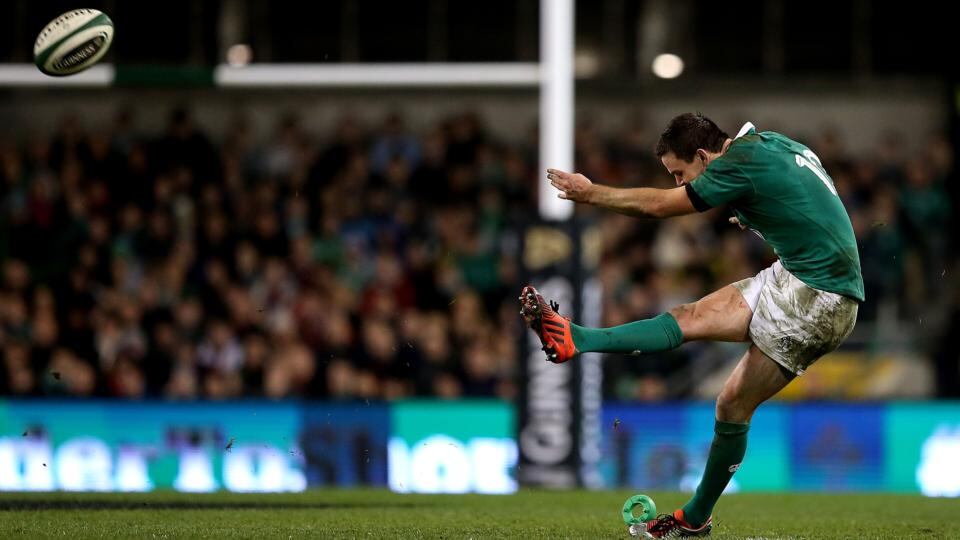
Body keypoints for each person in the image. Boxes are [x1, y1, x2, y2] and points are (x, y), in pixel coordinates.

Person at [520, 113, 863, 538]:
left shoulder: (740, 165)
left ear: (703, 156)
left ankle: (696, 516)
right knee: (690, 318)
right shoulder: (768, 145)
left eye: (680, 174)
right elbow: (807, 191)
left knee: (732, 404)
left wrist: (591, 195)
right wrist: (756, 212)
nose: (681, 184)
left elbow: (660, 207)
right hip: (799, 275)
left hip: (820, 295)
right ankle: (576, 338)